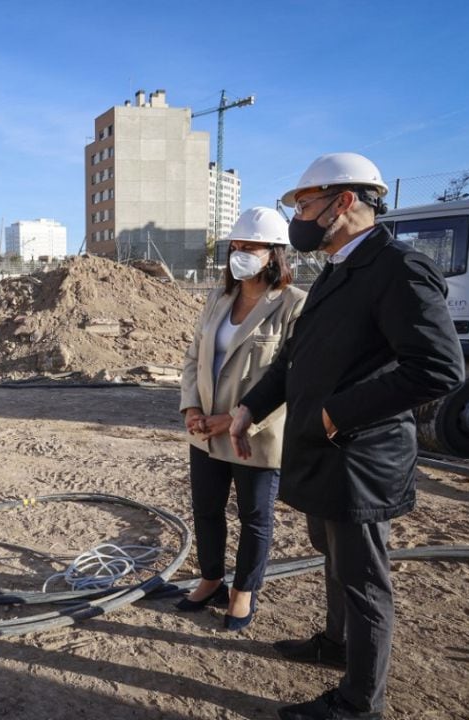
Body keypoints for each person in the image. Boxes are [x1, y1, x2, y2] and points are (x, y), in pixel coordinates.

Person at [229, 153, 465, 720]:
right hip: (323, 451)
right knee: (331, 557)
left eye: (305, 205)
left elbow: (438, 368)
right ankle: (335, 646)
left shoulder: (398, 269)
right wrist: (250, 407)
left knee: (363, 580)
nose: (298, 218)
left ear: (344, 202)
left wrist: (337, 415)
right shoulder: (338, 269)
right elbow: (295, 359)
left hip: (360, 456)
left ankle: (361, 703)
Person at [178, 207, 306, 631]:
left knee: (254, 516)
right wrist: (192, 407)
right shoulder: (219, 297)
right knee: (206, 509)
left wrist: (237, 419)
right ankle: (212, 578)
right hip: (206, 431)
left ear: (273, 253)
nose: (239, 253)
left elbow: (292, 378)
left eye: (249, 246)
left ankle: (244, 591)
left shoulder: (293, 305)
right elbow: (195, 356)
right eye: (235, 245)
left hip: (254, 434)